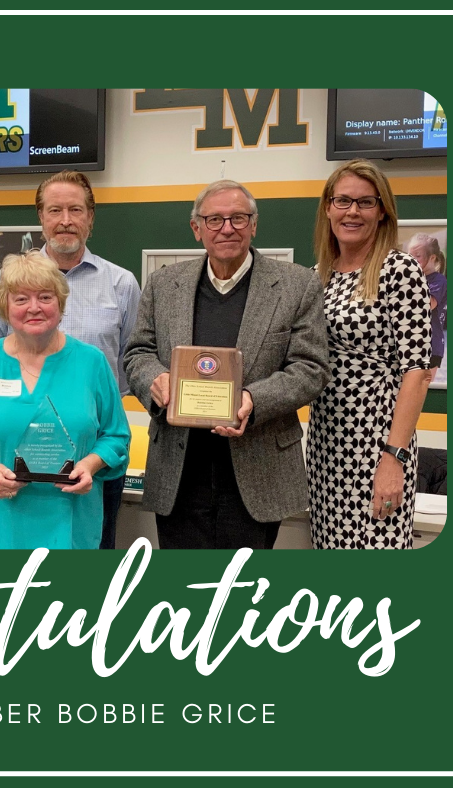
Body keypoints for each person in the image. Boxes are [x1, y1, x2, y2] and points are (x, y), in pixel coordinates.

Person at [124, 179, 330, 550]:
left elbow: (310, 367)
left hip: (258, 468)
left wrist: (253, 398)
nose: (227, 228)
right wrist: (155, 380)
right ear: (196, 228)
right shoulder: (162, 284)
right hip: (179, 470)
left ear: (254, 225)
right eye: (214, 219)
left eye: (238, 218)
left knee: (245, 589)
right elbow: (138, 352)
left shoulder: (297, 285)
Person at [0, 171, 140, 550]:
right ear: (41, 217)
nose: (65, 220)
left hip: (93, 458)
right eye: (55, 210)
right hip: (13, 462)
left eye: (75, 209)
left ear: (91, 217)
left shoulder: (121, 285)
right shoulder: (5, 282)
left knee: (91, 552)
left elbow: (131, 362)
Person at [0, 251, 131, 549]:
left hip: (72, 526)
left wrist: (91, 465)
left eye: (45, 297)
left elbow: (116, 436)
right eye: (21, 299)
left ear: (60, 303)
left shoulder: (91, 362)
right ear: (4, 306)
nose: (34, 308)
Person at [307, 159, 432, 549]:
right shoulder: (319, 274)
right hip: (327, 442)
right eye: (342, 200)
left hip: (377, 442)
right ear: (328, 207)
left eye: (365, 202)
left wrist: (393, 457)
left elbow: (418, 370)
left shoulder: (399, 269)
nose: (352, 212)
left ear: (382, 212)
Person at [407, 232, 447, 382]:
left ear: (432, 258)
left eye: (417, 255)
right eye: (410, 255)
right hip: (410, 343)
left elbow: (426, 305)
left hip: (431, 345)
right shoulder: (411, 278)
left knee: (420, 389)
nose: (412, 260)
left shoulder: (438, 280)